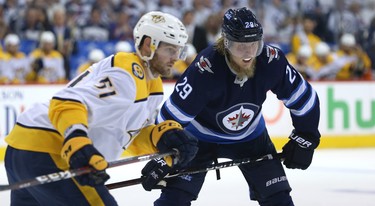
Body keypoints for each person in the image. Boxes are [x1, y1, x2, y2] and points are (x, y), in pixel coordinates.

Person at [4, 11, 198, 205]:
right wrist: (78, 144)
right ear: (148, 45)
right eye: (170, 50)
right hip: (48, 150)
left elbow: (127, 133)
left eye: (179, 51)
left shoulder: (151, 83)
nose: (176, 58)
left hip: (24, 146)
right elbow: (66, 102)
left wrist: (159, 137)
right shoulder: (127, 74)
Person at [142, 7, 321, 206]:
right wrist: (165, 155)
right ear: (226, 43)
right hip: (198, 139)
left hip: (251, 138)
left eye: (254, 45)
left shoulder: (271, 60)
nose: (248, 54)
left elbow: (305, 98)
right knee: (174, 200)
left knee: (278, 199)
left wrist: (307, 136)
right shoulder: (205, 70)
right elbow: (169, 119)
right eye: (240, 46)